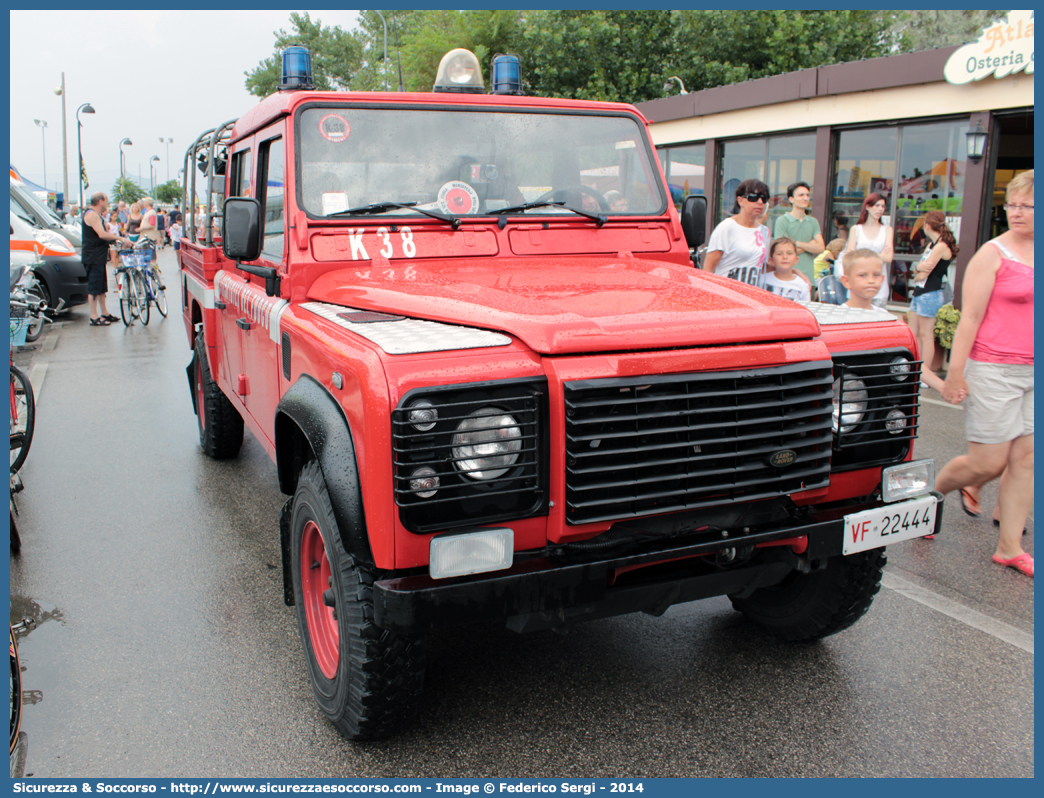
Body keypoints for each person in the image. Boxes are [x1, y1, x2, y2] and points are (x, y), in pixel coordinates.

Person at [934, 170, 1034, 577]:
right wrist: (955, 373)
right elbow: (969, 317)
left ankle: (1009, 547)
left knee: (1026, 459)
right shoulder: (993, 254)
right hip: (994, 368)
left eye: (1028, 205)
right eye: (1012, 204)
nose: (1017, 212)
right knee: (988, 462)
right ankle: (929, 497)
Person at [908, 211, 958, 392]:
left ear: (927, 225)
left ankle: (925, 374)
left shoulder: (940, 247)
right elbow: (918, 269)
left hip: (930, 293)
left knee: (926, 335)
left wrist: (919, 269)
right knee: (913, 332)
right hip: (920, 291)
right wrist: (919, 269)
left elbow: (923, 271)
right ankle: (915, 369)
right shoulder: (932, 244)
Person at [702, 179, 771, 287]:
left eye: (764, 198)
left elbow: (762, 266)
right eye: (753, 197)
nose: (760, 202)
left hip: (751, 295)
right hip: (726, 293)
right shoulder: (727, 227)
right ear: (740, 200)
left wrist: (795, 272)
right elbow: (708, 268)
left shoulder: (764, 231)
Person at [81, 192, 126, 326]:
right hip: (92, 256)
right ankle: (94, 316)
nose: (107, 204)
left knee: (101, 286)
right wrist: (120, 238)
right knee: (94, 287)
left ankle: (104, 312)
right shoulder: (92, 215)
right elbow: (101, 234)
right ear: (100, 201)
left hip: (98, 256)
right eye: (106, 201)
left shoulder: (96, 215)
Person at [844, 193, 893, 309]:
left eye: (882, 206)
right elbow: (850, 257)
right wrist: (879, 255)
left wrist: (861, 254)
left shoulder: (887, 230)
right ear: (868, 206)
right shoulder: (856, 229)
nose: (880, 209)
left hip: (879, 287)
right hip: (858, 286)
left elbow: (889, 257)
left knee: (878, 323)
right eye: (877, 205)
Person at [774, 182, 824, 285]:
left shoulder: (813, 221)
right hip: (787, 279)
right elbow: (782, 252)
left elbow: (820, 248)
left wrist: (795, 243)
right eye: (801, 195)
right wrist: (811, 245)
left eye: (807, 195)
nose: (805, 198)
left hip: (809, 280)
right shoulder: (782, 221)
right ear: (791, 199)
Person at [761, 237, 810, 302]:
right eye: (779, 254)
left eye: (789, 253)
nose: (785, 257)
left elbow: (806, 309)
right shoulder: (762, 279)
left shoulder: (802, 285)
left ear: (796, 260)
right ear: (771, 260)